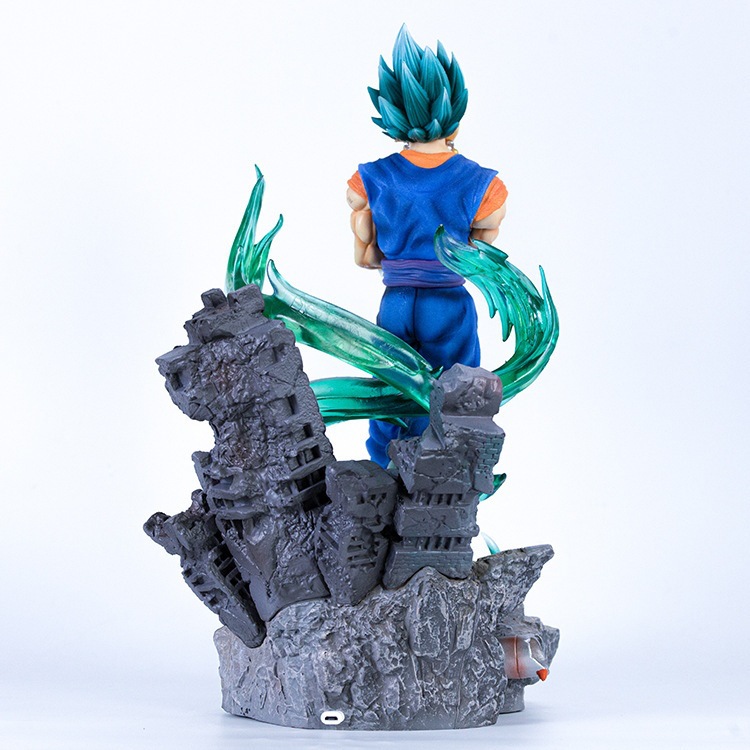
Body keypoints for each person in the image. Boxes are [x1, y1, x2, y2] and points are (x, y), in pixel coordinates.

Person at [347, 25, 507, 467]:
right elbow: (482, 250)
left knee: (390, 387)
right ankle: (441, 469)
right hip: (447, 301)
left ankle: (384, 466)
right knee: (457, 391)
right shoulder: (485, 184)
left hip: (396, 300)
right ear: (455, 108)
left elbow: (364, 253)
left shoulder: (369, 177)